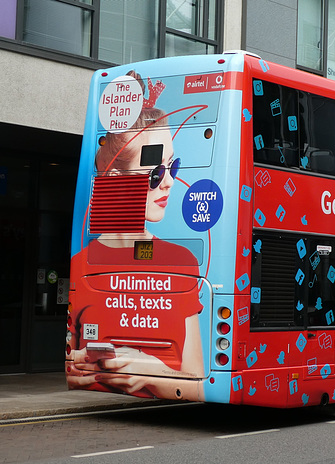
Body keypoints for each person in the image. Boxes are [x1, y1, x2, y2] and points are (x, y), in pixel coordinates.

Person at [67, 71, 204, 400]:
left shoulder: (181, 261)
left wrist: (152, 374)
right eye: (157, 171)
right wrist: (75, 368)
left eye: (174, 167)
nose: (169, 181)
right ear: (116, 175)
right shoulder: (81, 265)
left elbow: (199, 382)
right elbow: (72, 357)